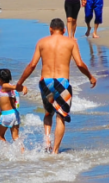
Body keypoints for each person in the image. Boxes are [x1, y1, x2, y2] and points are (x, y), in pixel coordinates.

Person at [15, 18, 96, 153]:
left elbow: (32, 65)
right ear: (64, 30)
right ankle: (55, 152)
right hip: (62, 83)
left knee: (48, 113)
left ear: (50, 29)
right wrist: (90, 77)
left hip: (46, 82)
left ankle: (47, 142)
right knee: (61, 116)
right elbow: (80, 64)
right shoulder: (70, 42)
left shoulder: (42, 42)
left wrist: (20, 83)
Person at [0, 68, 23, 148]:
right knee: (15, 137)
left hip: (6, 115)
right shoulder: (10, 89)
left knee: (0, 135)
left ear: (0, 80)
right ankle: (22, 152)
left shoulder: (4, 86)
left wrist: (23, 88)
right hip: (15, 114)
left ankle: (8, 150)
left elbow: (16, 87)